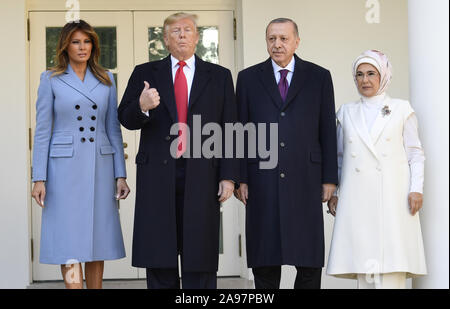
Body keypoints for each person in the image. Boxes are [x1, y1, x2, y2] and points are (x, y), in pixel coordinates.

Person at [118, 12, 239, 289]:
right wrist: (142, 105)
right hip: (158, 174)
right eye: (175, 31)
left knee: (200, 253)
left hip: (203, 173)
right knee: (160, 254)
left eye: (187, 30)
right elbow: (125, 117)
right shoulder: (145, 73)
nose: (182, 35)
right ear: (164, 39)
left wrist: (229, 176)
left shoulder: (219, 76)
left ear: (197, 37)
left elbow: (230, 128)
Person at [235, 18, 338, 289]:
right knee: (265, 261)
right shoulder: (248, 78)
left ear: (296, 41)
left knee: (308, 262)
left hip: (306, 178)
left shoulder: (319, 76)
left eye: (283, 38)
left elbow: (327, 130)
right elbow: (240, 132)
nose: (277, 44)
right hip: (261, 180)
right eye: (272, 38)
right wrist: (241, 178)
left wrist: (329, 179)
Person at [31, 20, 130, 289]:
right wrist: (38, 177)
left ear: (93, 45)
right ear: (65, 45)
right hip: (63, 170)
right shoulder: (50, 78)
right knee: (70, 238)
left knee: (98, 237)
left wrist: (120, 174)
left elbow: (113, 128)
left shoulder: (106, 78)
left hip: (100, 165)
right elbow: (42, 131)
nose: (82, 47)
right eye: (76, 42)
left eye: (87, 42)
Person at [326, 50, 427, 289]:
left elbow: (415, 153)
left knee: (392, 266)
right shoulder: (346, 112)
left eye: (371, 73)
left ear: (384, 75)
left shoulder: (402, 109)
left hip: (393, 199)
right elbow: (339, 158)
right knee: (364, 266)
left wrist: (417, 189)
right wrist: (336, 192)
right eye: (359, 75)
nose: (365, 80)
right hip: (357, 201)